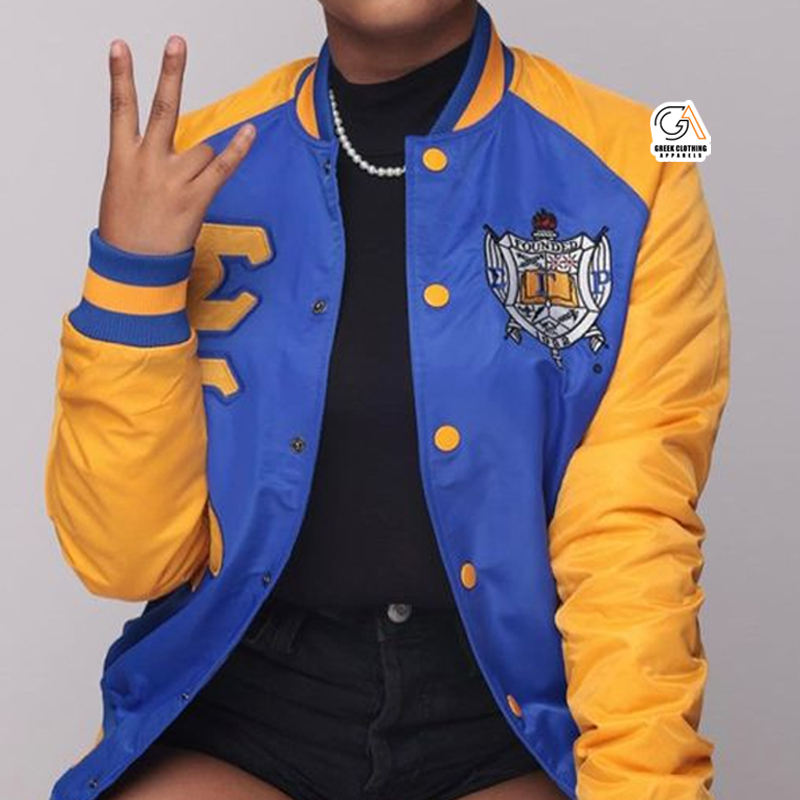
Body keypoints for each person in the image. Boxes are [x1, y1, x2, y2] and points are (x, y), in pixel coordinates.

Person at [43, 1, 731, 799]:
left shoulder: (634, 167)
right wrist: (132, 278)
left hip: (503, 714)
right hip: (246, 704)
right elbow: (125, 558)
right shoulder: (196, 166)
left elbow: (631, 530)